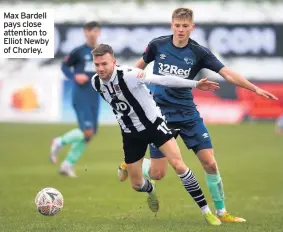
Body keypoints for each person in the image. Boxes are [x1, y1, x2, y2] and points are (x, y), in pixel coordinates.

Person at [118, 7, 278, 222]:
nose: (181, 30)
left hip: (187, 113)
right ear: (171, 25)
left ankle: (222, 212)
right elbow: (138, 68)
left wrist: (254, 88)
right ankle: (132, 163)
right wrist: (123, 87)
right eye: (177, 25)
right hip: (160, 114)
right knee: (157, 175)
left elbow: (227, 72)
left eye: (185, 26)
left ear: (192, 27)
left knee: (210, 163)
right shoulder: (157, 45)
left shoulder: (199, 52)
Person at [91, 43, 222, 225]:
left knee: (178, 165)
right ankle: (151, 189)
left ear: (114, 62)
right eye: (96, 65)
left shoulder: (130, 74)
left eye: (104, 64)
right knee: (137, 185)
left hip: (155, 125)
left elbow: (164, 80)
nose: (100, 68)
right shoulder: (95, 82)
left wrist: (195, 84)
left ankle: (206, 212)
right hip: (130, 134)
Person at [49, 21, 101, 177]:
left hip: (95, 95)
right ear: (85, 32)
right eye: (89, 30)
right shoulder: (79, 52)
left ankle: (67, 164)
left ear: (99, 33)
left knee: (90, 134)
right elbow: (64, 66)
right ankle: (60, 141)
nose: (92, 33)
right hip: (81, 94)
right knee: (87, 131)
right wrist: (74, 76)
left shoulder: (102, 52)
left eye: (95, 31)